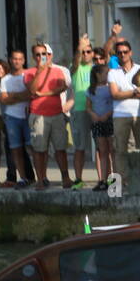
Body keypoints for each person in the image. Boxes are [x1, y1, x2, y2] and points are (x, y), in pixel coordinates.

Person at [24, 43, 73, 190]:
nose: (41, 57)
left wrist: (44, 93)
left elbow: (62, 87)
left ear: (48, 55)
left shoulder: (57, 71)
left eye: (43, 54)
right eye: (37, 55)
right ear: (33, 57)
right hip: (38, 114)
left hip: (57, 113)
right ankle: (41, 179)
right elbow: (32, 89)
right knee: (39, 149)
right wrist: (40, 71)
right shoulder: (29, 72)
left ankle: (65, 177)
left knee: (60, 148)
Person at [107, 40, 140, 182]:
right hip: (120, 115)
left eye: (125, 52)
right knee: (120, 150)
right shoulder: (113, 72)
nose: (122, 55)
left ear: (130, 53)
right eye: (119, 53)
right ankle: (122, 183)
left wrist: (125, 93)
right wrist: (135, 92)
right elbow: (114, 94)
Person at [0, 51, 35, 188]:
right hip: (11, 117)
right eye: (14, 59)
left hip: (28, 115)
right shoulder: (5, 79)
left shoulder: (29, 75)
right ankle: (23, 178)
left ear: (23, 60)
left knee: (33, 147)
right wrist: (20, 96)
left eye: (19, 59)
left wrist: (13, 96)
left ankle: (40, 177)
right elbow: (4, 99)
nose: (17, 61)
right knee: (15, 149)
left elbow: (31, 94)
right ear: (10, 61)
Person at [69, 39, 96, 186]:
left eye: (88, 51)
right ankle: (78, 179)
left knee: (103, 147)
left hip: (98, 110)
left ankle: (105, 179)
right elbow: (75, 62)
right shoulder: (74, 68)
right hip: (80, 110)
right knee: (80, 147)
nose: (85, 54)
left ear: (92, 53)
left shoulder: (97, 68)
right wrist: (80, 46)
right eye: (83, 52)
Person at [87, 63, 116, 190]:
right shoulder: (90, 90)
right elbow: (88, 106)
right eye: (106, 73)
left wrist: (107, 114)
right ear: (98, 75)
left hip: (109, 120)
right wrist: (93, 115)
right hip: (97, 122)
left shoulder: (111, 88)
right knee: (102, 152)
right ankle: (103, 180)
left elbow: (115, 104)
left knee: (113, 151)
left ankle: (114, 179)